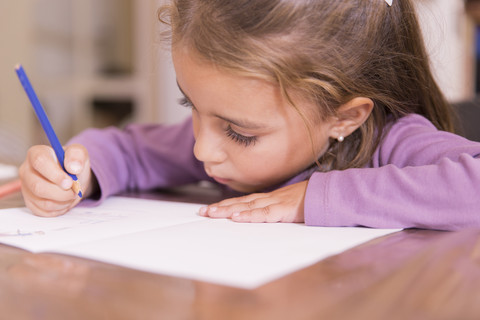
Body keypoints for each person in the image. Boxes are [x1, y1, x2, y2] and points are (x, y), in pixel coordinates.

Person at [19, 0, 480, 230]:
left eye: (240, 133)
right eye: (189, 105)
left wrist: (314, 198)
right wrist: (78, 171)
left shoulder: (394, 144)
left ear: (345, 118)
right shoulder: (210, 140)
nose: (201, 148)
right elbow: (127, 150)